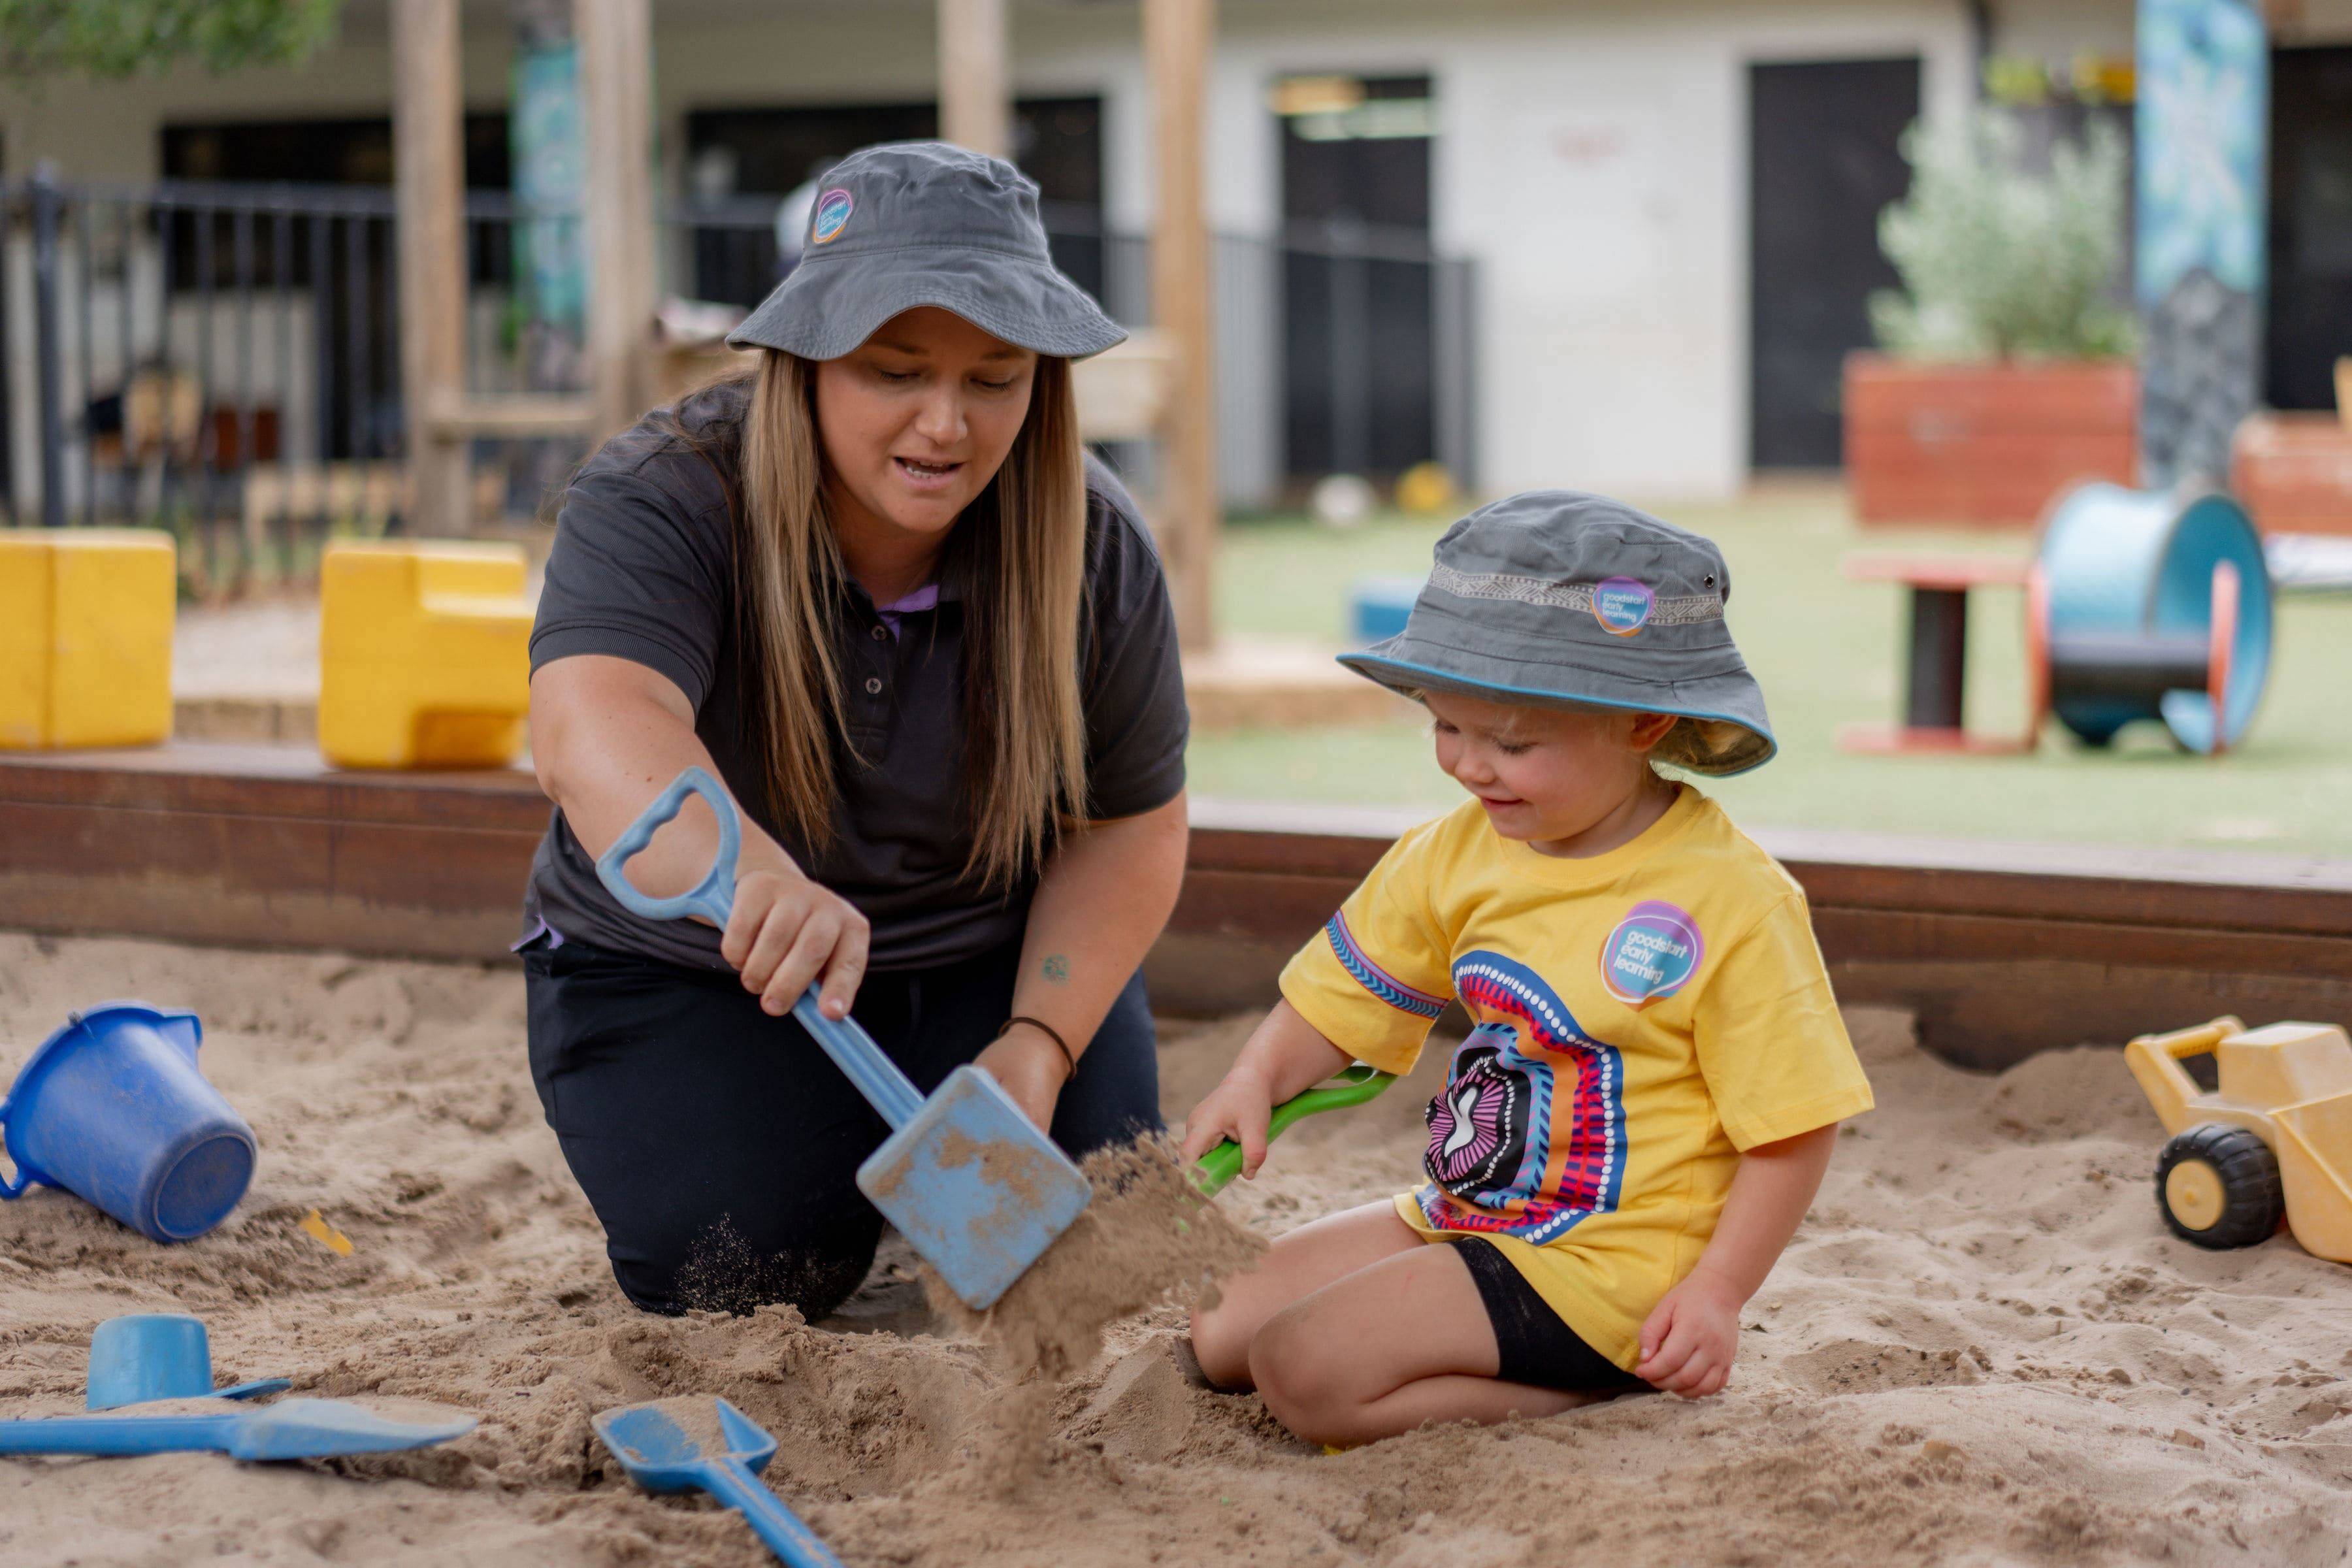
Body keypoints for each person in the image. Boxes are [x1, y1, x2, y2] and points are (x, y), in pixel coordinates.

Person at [520, 142, 1190, 1319]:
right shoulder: (664, 492)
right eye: (894, 369)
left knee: (1104, 1237)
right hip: (695, 970)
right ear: (807, 357)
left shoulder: (1092, 539)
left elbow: (1129, 823)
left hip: (985, 963)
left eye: (996, 377)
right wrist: (757, 883)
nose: (947, 424)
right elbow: (592, 723)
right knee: (745, 1272)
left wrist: (1036, 1044)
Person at [1181, 493, 1874, 1446]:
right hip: (1471, 1213)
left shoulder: (1734, 902)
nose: (1470, 766)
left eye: (1511, 741)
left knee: (1303, 1374)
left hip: (1612, 1265)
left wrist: (1716, 1293)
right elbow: (1343, 996)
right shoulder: (1456, 853)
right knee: (1223, 1323)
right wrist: (1255, 1078)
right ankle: (1483, 1334)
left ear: (1640, 724)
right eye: (1446, 726)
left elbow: (1794, 1129)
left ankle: (1593, 1391)